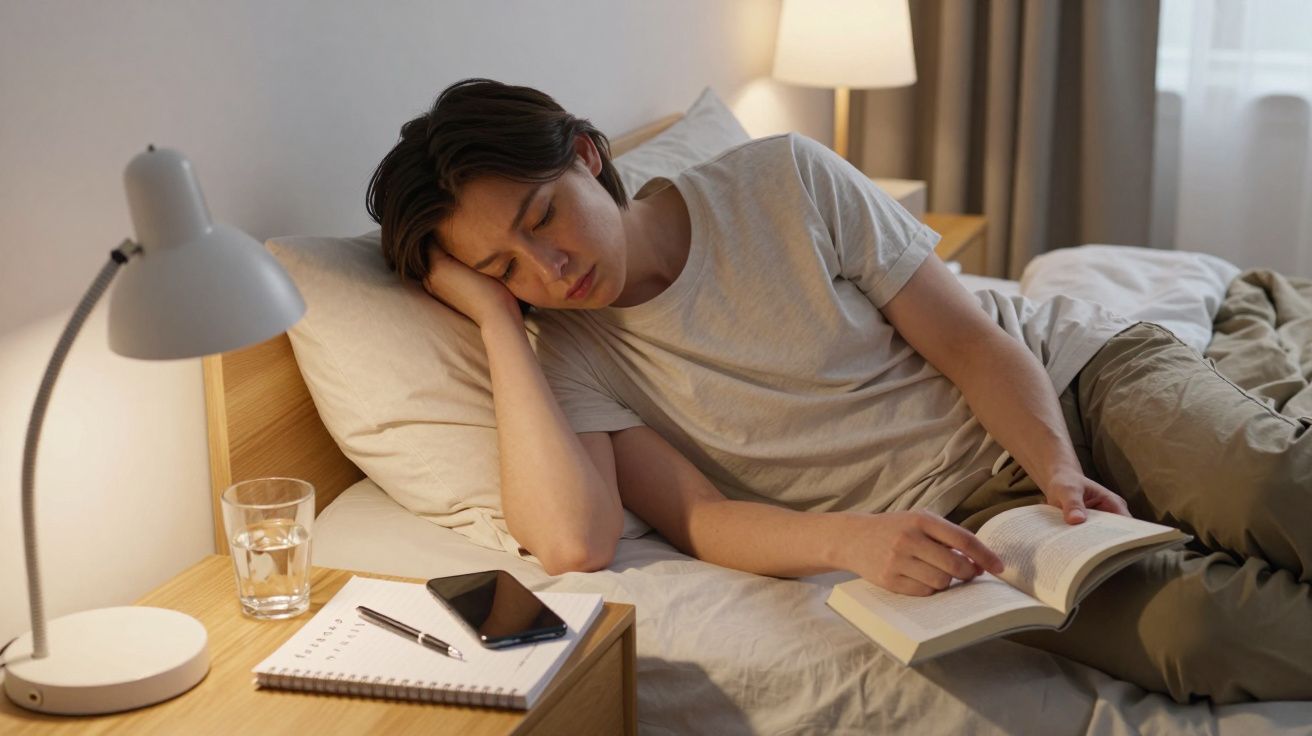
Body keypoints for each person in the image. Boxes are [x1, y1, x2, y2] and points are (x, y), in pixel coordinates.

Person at [366, 78, 1312, 704]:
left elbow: (970, 338)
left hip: (1074, 388)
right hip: (973, 527)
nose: (549, 266)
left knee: (1275, 491)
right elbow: (601, 534)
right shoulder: (565, 350)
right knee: (1200, 635)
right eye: (503, 266)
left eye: (543, 218)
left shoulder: (783, 176)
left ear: (585, 156)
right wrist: (498, 326)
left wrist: (1058, 469)